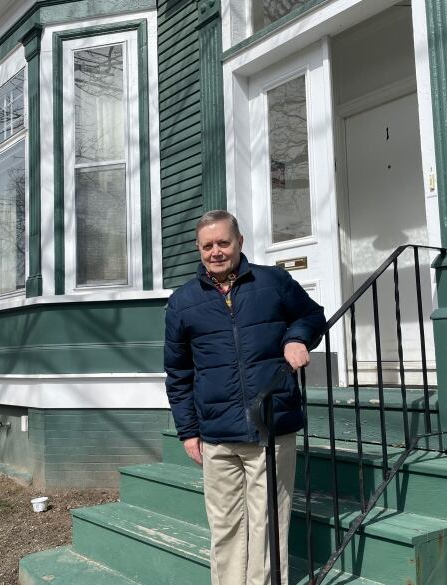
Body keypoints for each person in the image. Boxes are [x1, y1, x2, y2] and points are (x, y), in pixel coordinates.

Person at [164, 210, 326, 585]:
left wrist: (296, 337)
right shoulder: (182, 302)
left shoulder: (274, 282)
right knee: (226, 529)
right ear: (198, 249)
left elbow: (312, 316)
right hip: (216, 434)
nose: (216, 252)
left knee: (268, 525)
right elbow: (178, 373)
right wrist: (188, 431)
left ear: (239, 242)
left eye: (223, 242)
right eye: (208, 246)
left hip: (271, 426)